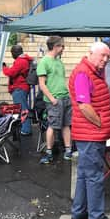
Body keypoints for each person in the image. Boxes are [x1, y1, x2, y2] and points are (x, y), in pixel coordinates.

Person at [69, 42, 110, 219]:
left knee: (85, 175)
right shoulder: (84, 73)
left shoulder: (91, 71)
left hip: (88, 134)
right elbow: (84, 105)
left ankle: (79, 214)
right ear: (91, 54)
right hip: (90, 134)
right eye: (103, 56)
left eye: (108, 56)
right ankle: (96, 218)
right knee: (95, 177)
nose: (106, 60)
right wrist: (100, 124)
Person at [37, 36, 72, 164]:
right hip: (55, 100)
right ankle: (49, 152)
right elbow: (42, 84)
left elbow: (61, 80)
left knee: (66, 125)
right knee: (52, 126)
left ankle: (68, 150)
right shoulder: (44, 62)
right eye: (62, 46)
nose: (63, 48)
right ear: (55, 46)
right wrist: (52, 99)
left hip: (65, 98)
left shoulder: (59, 61)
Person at [2, 45, 33, 135]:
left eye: (12, 53)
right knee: (22, 108)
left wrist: (4, 68)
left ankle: (26, 129)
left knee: (22, 109)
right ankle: (25, 128)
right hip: (21, 87)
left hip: (19, 88)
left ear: (15, 52)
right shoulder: (24, 60)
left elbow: (11, 73)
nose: (12, 55)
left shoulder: (20, 61)